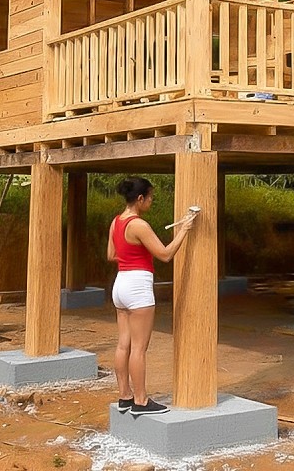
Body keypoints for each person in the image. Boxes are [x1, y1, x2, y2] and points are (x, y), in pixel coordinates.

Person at [107, 177, 195, 417]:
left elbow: (111, 254)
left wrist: (132, 256)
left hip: (121, 283)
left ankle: (125, 396)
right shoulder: (139, 225)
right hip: (137, 285)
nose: (152, 202)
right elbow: (165, 254)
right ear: (140, 199)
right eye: (150, 198)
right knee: (139, 348)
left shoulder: (117, 222)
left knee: (123, 344)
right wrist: (184, 230)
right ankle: (141, 400)